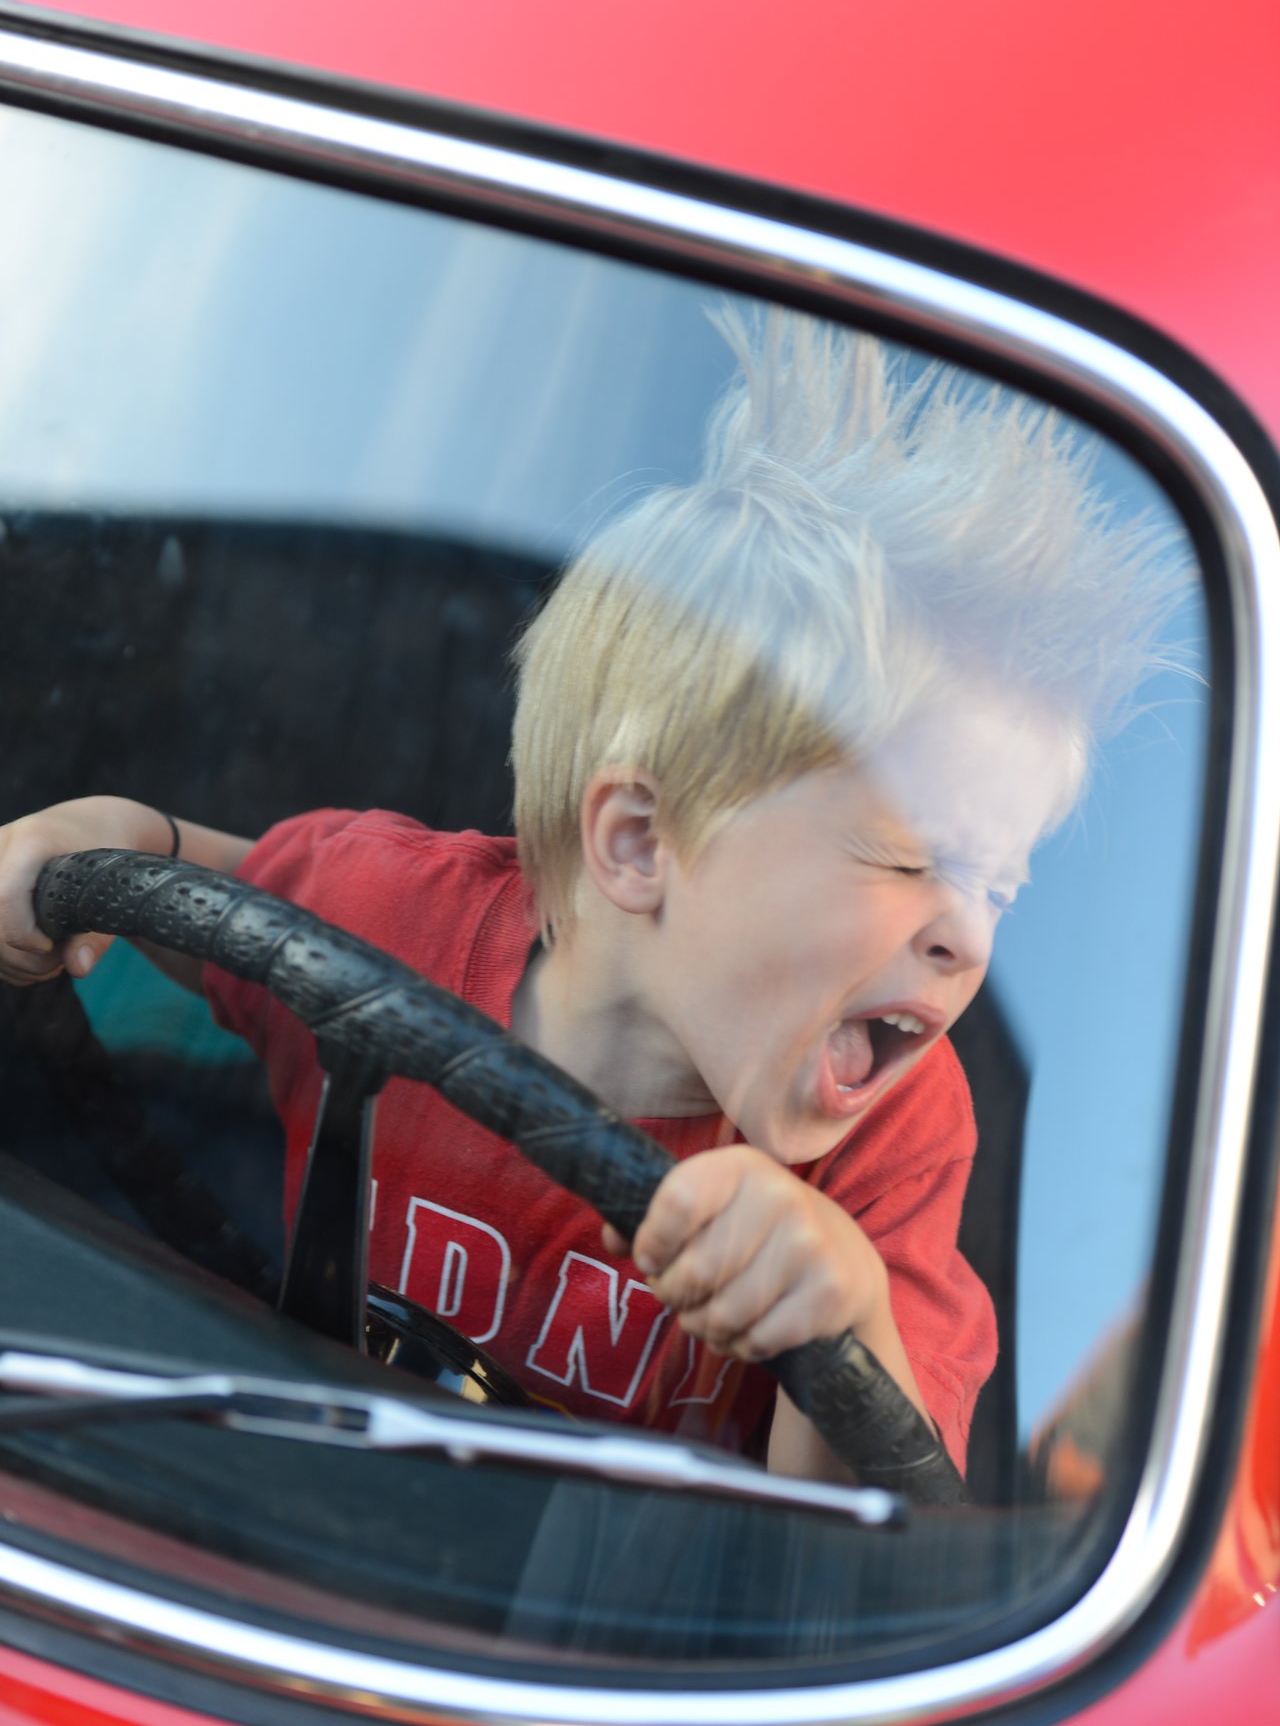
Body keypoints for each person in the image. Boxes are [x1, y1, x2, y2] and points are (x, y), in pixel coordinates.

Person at [0, 310, 1183, 1484]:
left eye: (996, 885)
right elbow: (212, 905)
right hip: (285, 1500)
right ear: (640, 844)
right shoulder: (383, 907)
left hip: (607, 1639)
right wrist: (112, 836)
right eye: (909, 861)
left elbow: (879, 1542)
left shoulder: (896, 1142)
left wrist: (840, 1314)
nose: (966, 932)